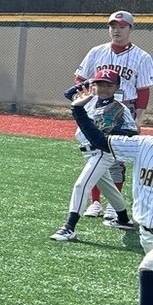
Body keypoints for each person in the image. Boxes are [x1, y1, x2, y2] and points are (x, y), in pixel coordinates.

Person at [69, 83, 153, 305]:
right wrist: (78, 112)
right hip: (146, 232)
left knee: (149, 268)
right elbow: (101, 142)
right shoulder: (144, 145)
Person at [75, 10, 153, 220]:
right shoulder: (96, 52)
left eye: (121, 26)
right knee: (93, 153)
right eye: (112, 26)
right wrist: (86, 101)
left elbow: (144, 89)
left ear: (131, 29)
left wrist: (139, 118)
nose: (116, 30)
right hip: (97, 107)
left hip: (123, 109)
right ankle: (96, 202)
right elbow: (80, 78)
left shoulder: (142, 57)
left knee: (116, 157)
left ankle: (113, 205)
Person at [51, 66, 138, 240]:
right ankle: (122, 219)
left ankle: (69, 227)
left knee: (80, 185)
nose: (104, 89)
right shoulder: (89, 100)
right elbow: (68, 93)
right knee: (109, 188)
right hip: (88, 153)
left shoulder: (120, 108)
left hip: (102, 152)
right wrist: (90, 83)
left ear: (117, 87)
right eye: (100, 84)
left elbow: (132, 131)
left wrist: (109, 136)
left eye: (109, 85)